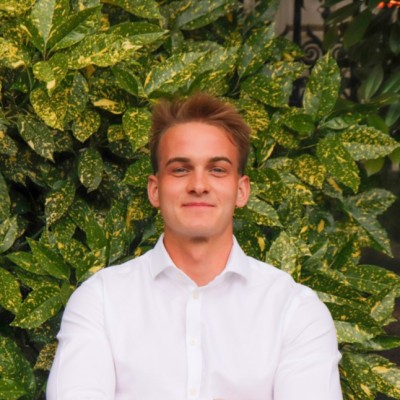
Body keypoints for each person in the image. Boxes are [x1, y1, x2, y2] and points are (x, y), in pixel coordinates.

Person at [46, 93, 343, 400]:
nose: (199, 185)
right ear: (155, 190)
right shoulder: (100, 301)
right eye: (180, 169)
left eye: (217, 169)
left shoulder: (294, 310)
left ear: (241, 191)